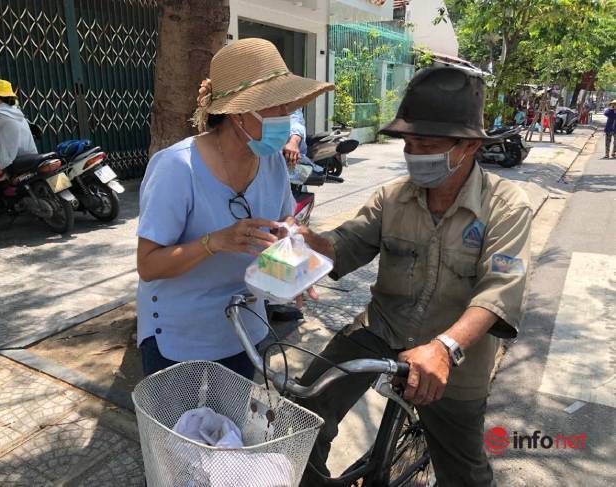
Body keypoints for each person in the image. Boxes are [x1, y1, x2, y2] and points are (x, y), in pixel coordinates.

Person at [294, 67, 532, 486]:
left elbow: (500, 290)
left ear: (470, 146)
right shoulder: (392, 197)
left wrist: (444, 349)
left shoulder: (507, 206)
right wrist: (305, 241)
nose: (414, 152)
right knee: (299, 416)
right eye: (408, 142)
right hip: (382, 328)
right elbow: (345, 244)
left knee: (465, 474)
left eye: (427, 143)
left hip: (456, 356)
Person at [135, 38, 333, 378]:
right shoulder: (177, 168)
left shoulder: (270, 161)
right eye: (276, 108)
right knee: (181, 431)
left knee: (233, 426)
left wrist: (291, 263)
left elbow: (283, 222)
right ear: (239, 113)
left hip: (245, 330)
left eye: (288, 108)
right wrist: (214, 242)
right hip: (180, 340)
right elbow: (148, 265)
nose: (286, 119)